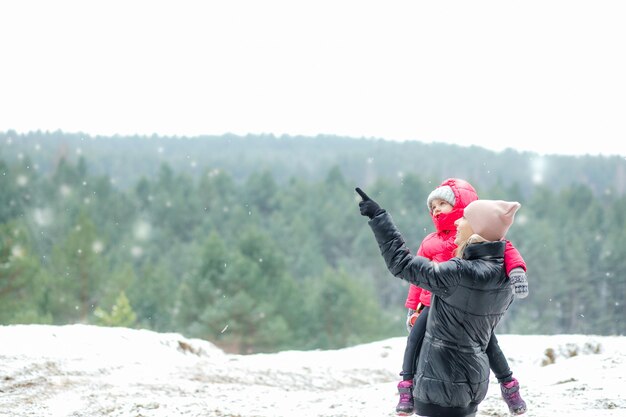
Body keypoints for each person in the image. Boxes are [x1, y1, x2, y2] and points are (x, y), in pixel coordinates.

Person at [356, 186, 523, 417]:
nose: (457, 222)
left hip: (439, 388)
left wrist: (379, 217)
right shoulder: (504, 280)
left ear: (477, 228)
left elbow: (402, 264)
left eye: (464, 218)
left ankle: (405, 384)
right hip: (472, 388)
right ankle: (509, 386)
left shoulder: (458, 273)